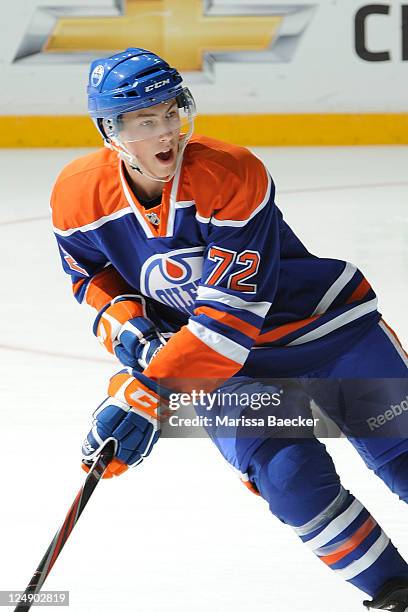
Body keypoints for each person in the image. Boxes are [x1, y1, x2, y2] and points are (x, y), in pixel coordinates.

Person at [50, 47, 408, 611]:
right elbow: (89, 275)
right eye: (145, 120)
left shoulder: (231, 173)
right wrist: (134, 333)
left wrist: (148, 392)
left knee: (404, 453)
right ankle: (396, 593)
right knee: (290, 479)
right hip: (225, 374)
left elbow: (229, 320)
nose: (167, 130)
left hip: (325, 331)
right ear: (110, 129)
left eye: (172, 112)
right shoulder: (77, 197)